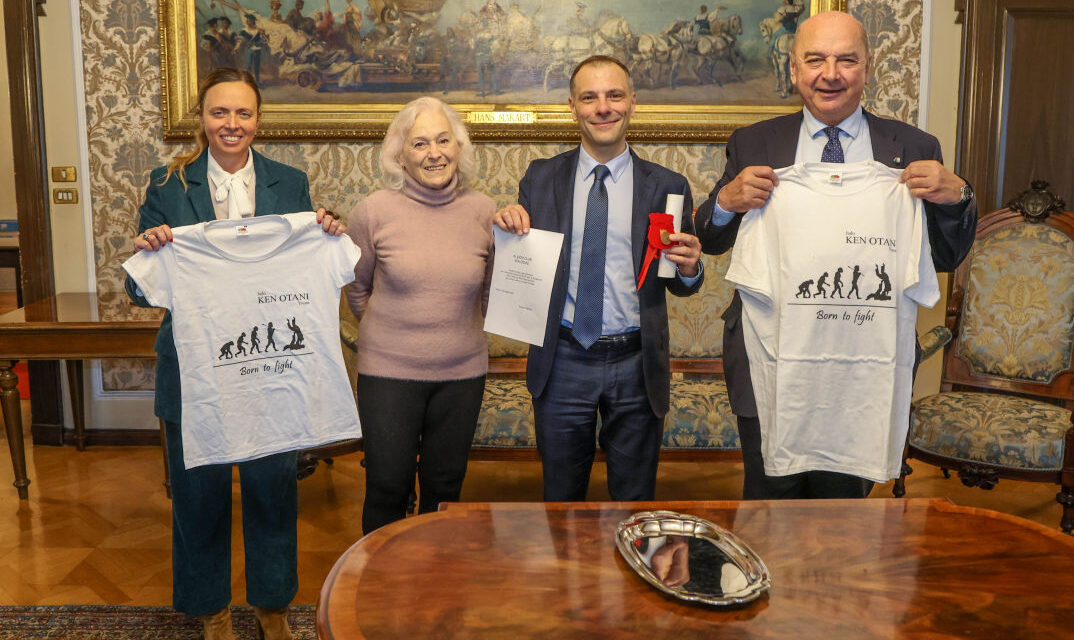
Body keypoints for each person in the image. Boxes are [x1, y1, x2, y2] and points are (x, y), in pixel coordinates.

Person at [695, 11, 976, 500]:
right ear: (793, 70)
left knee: (845, 518)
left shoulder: (912, 147)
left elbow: (944, 256)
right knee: (768, 506)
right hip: (771, 357)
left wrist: (959, 197)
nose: (831, 74)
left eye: (847, 60)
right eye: (815, 60)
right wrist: (725, 202)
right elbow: (710, 239)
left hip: (861, 366)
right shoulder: (754, 142)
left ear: (868, 68)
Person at [125, 67, 344, 640]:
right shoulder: (168, 185)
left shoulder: (289, 183)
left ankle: (273, 608)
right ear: (201, 118)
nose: (231, 124)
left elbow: (307, 265)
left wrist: (324, 230)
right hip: (194, 372)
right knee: (199, 498)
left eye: (243, 113)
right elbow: (138, 287)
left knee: (274, 492)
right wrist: (150, 250)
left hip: (267, 369)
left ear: (259, 120)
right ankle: (212, 613)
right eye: (220, 112)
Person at [494, 55, 704, 502]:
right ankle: (567, 575)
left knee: (634, 501)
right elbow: (525, 258)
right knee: (561, 499)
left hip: (636, 362)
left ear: (632, 103)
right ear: (573, 106)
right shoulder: (541, 178)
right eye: (590, 97)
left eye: (614, 95)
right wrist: (509, 222)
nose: (602, 107)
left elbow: (677, 278)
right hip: (564, 358)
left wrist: (689, 268)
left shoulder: (668, 186)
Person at [345, 96, 495, 534]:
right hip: (388, 373)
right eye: (420, 143)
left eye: (444, 140)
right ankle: (377, 591)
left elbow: (489, 292)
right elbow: (358, 289)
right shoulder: (372, 212)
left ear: (459, 148)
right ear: (400, 155)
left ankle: (431, 587)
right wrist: (396, 336)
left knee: (445, 490)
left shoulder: (485, 212)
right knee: (386, 487)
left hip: (462, 375)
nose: (435, 153)